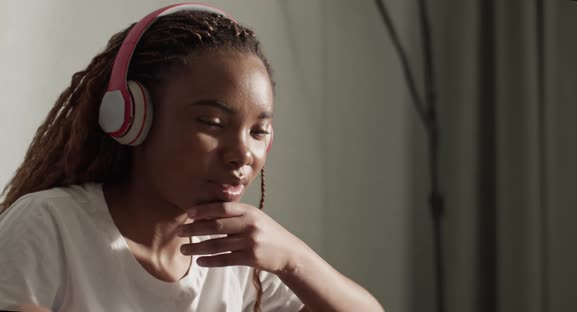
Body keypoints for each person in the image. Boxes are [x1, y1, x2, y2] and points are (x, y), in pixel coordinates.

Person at [0, 3, 384, 312]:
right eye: (213, 122)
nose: (242, 153)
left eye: (258, 131)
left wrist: (293, 259)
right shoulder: (49, 225)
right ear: (132, 119)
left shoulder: (238, 257)